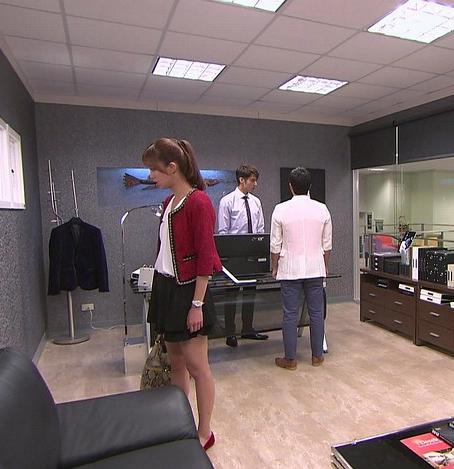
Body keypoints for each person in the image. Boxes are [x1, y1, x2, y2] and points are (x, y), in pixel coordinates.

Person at [142, 137, 219, 450]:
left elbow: (205, 257)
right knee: (175, 362)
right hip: (167, 289)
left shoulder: (198, 202)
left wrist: (197, 304)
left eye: (154, 170)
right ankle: (179, 423)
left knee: (198, 367)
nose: (151, 176)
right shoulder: (168, 203)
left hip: (190, 291)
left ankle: (205, 431)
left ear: (172, 167)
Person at [270, 167, 332, 370]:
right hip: (315, 268)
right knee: (316, 313)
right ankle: (317, 356)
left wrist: (274, 267)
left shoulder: (280, 209)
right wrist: (326, 266)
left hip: (290, 270)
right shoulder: (322, 209)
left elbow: (275, 245)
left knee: (290, 314)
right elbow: (327, 245)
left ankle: (290, 359)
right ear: (310, 186)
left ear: (290, 187)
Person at [217, 164, 268, 347]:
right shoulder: (227, 201)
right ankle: (230, 332)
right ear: (242, 180)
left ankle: (248, 329)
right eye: (252, 180)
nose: (255, 184)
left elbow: (260, 229)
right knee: (231, 295)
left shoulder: (256, 202)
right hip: (234, 256)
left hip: (252, 255)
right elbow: (223, 231)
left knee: (250, 293)